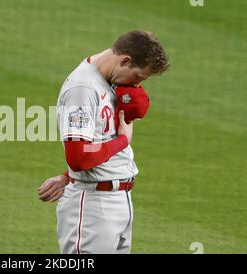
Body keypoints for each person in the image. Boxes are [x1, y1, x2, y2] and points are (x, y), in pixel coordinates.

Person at [38, 30, 169, 254]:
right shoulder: (83, 90)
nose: (137, 85)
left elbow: (96, 141)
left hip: (117, 201)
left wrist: (68, 177)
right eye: (138, 77)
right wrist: (123, 140)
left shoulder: (111, 79)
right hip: (93, 208)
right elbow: (79, 158)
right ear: (125, 60)